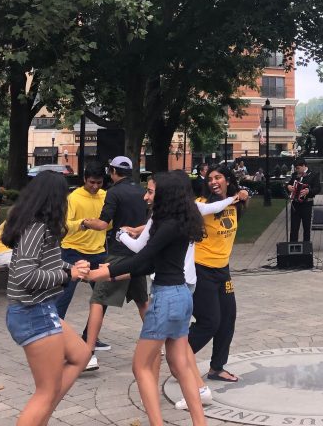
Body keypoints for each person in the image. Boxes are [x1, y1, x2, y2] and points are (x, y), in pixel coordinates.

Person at [86, 172, 209, 426]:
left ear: (166, 194)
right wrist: (112, 275)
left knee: (141, 366)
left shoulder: (168, 225)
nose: (145, 196)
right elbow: (151, 263)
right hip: (181, 297)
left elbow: (143, 258)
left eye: (150, 191)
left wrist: (105, 271)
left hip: (166, 298)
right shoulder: (179, 221)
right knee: (181, 364)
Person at [3, 170, 91, 426]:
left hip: (40, 310)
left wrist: (72, 269)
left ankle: (41, 416)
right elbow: (25, 276)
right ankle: (39, 415)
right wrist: (67, 274)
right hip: (33, 312)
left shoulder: (39, 228)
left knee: (81, 355)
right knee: (46, 391)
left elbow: (45, 263)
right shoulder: (36, 229)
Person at [79, 155, 149, 370]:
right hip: (139, 254)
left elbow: (102, 224)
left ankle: (87, 353)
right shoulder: (142, 192)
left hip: (119, 254)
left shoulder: (114, 192)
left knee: (97, 299)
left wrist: (84, 223)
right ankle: (157, 344)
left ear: (112, 171)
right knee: (142, 301)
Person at [189, 166, 248, 384]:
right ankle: (180, 357)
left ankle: (217, 368)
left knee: (228, 318)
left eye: (218, 177)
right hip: (200, 268)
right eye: (210, 178)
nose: (213, 181)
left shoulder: (236, 203)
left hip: (223, 270)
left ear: (228, 180)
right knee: (209, 322)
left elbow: (242, 200)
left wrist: (243, 194)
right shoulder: (202, 204)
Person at [55, 166, 107, 319]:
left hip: (98, 252)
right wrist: (83, 223)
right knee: (64, 297)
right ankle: (55, 335)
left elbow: (107, 223)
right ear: (84, 179)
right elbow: (65, 224)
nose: (95, 186)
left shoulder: (106, 196)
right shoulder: (73, 197)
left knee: (102, 298)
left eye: (99, 183)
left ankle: (89, 336)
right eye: (92, 182)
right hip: (73, 251)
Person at [286, 156, 320, 243]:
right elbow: (289, 185)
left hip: (307, 204)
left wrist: (309, 191)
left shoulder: (313, 174)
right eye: (296, 168)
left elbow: (317, 188)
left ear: (304, 165)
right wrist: (288, 187)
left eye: (298, 168)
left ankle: (306, 248)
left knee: (306, 228)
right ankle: (293, 248)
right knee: (294, 228)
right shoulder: (295, 175)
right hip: (295, 205)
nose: (297, 170)